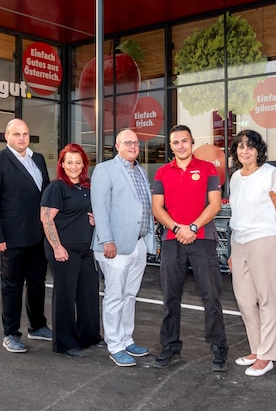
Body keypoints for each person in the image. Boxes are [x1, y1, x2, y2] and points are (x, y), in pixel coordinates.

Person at [151, 124, 228, 372]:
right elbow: (157, 208)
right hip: (172, 241)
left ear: (192, 142)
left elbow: (214, 205)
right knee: (170, 297)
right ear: (170, 146)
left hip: (202, 239)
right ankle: (170, 346)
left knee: (211, 296)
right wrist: (177, 229)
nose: (181, 146)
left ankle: (218, 347)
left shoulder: (207, 169)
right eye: (176, 142)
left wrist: (193, 227)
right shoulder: (162, 172)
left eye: (185, 141)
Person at [0, 118, 52, 353]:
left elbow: (46, 198)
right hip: (11, 238)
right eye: (16, 134)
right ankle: (11, 333)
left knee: (37, 283)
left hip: (38, 236)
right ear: (7, 136)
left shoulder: (38, 159)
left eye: (26, 134)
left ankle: (38, 326)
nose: (22, 138)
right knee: (12, 286)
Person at [227, 130, 276, 377]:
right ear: (235, 152)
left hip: (265, 240)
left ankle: (266, 355)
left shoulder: (270, 174)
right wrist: (234, 251)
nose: (245, 151)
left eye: (250, 147)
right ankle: (256, 348)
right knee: (244, 299)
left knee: (267, 299)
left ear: (258, 150)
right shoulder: (234, 177)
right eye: (241, 147)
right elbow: (238, 213)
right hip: (239, 241)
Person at [91, 128, 155, 367]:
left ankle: (127, 339)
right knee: (115, 296)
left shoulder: (139, 170)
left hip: (138, 244)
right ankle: (115, 345)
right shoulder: (105, 170)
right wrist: (107, 239)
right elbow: (100, 207)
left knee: (130, 295)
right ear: (116, 146)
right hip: (114, 246)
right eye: (127, 142)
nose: (133, 146)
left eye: (136, 142)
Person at [40, 144, 102, 358]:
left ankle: (89, 336)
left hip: (86, 249)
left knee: (88, 293)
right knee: (65, 295)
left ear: (84, 164)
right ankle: (65, 343)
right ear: (62, 165)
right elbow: (46, 218)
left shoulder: (88, 186)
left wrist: (96, 220)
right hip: (63, 249)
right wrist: (57, 247)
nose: (74, 167)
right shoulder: (56, 187)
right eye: (69, 162)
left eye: (78, 162)